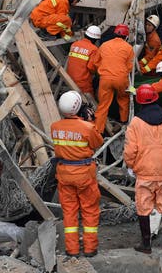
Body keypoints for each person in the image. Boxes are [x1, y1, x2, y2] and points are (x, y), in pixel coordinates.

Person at [124, 84, 162, 255]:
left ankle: (146, 245)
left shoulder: (136, 123)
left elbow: (130, 150)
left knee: (143, 207)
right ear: (156, 98)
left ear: (140, 101)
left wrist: (130, 165)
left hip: (144, 172)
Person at [51, 91, 103, 258]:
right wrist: (90, 121)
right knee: (89, 210)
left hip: (64, 174)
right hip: (84, 175)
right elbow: (97, 143)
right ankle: (90, 248)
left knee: (69, 212)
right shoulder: (88, 128)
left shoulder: (55, 127)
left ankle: (72, 249)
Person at [88, 24, 134, 134]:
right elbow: (129, 67)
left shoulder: (104, 45)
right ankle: (123, 122)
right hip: (121, 78)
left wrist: (104, 70)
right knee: (123, 99)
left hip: (105, 78)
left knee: (103, 105)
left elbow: (95, 63)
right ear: (126, 36)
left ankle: (98, 130)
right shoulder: (128, 48)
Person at [67, 25, 101, 95]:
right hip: (83, 83)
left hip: (69, 80)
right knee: (89, 102)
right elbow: (91, 68)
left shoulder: (74, 44)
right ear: (95, 40)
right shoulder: (93, 49)